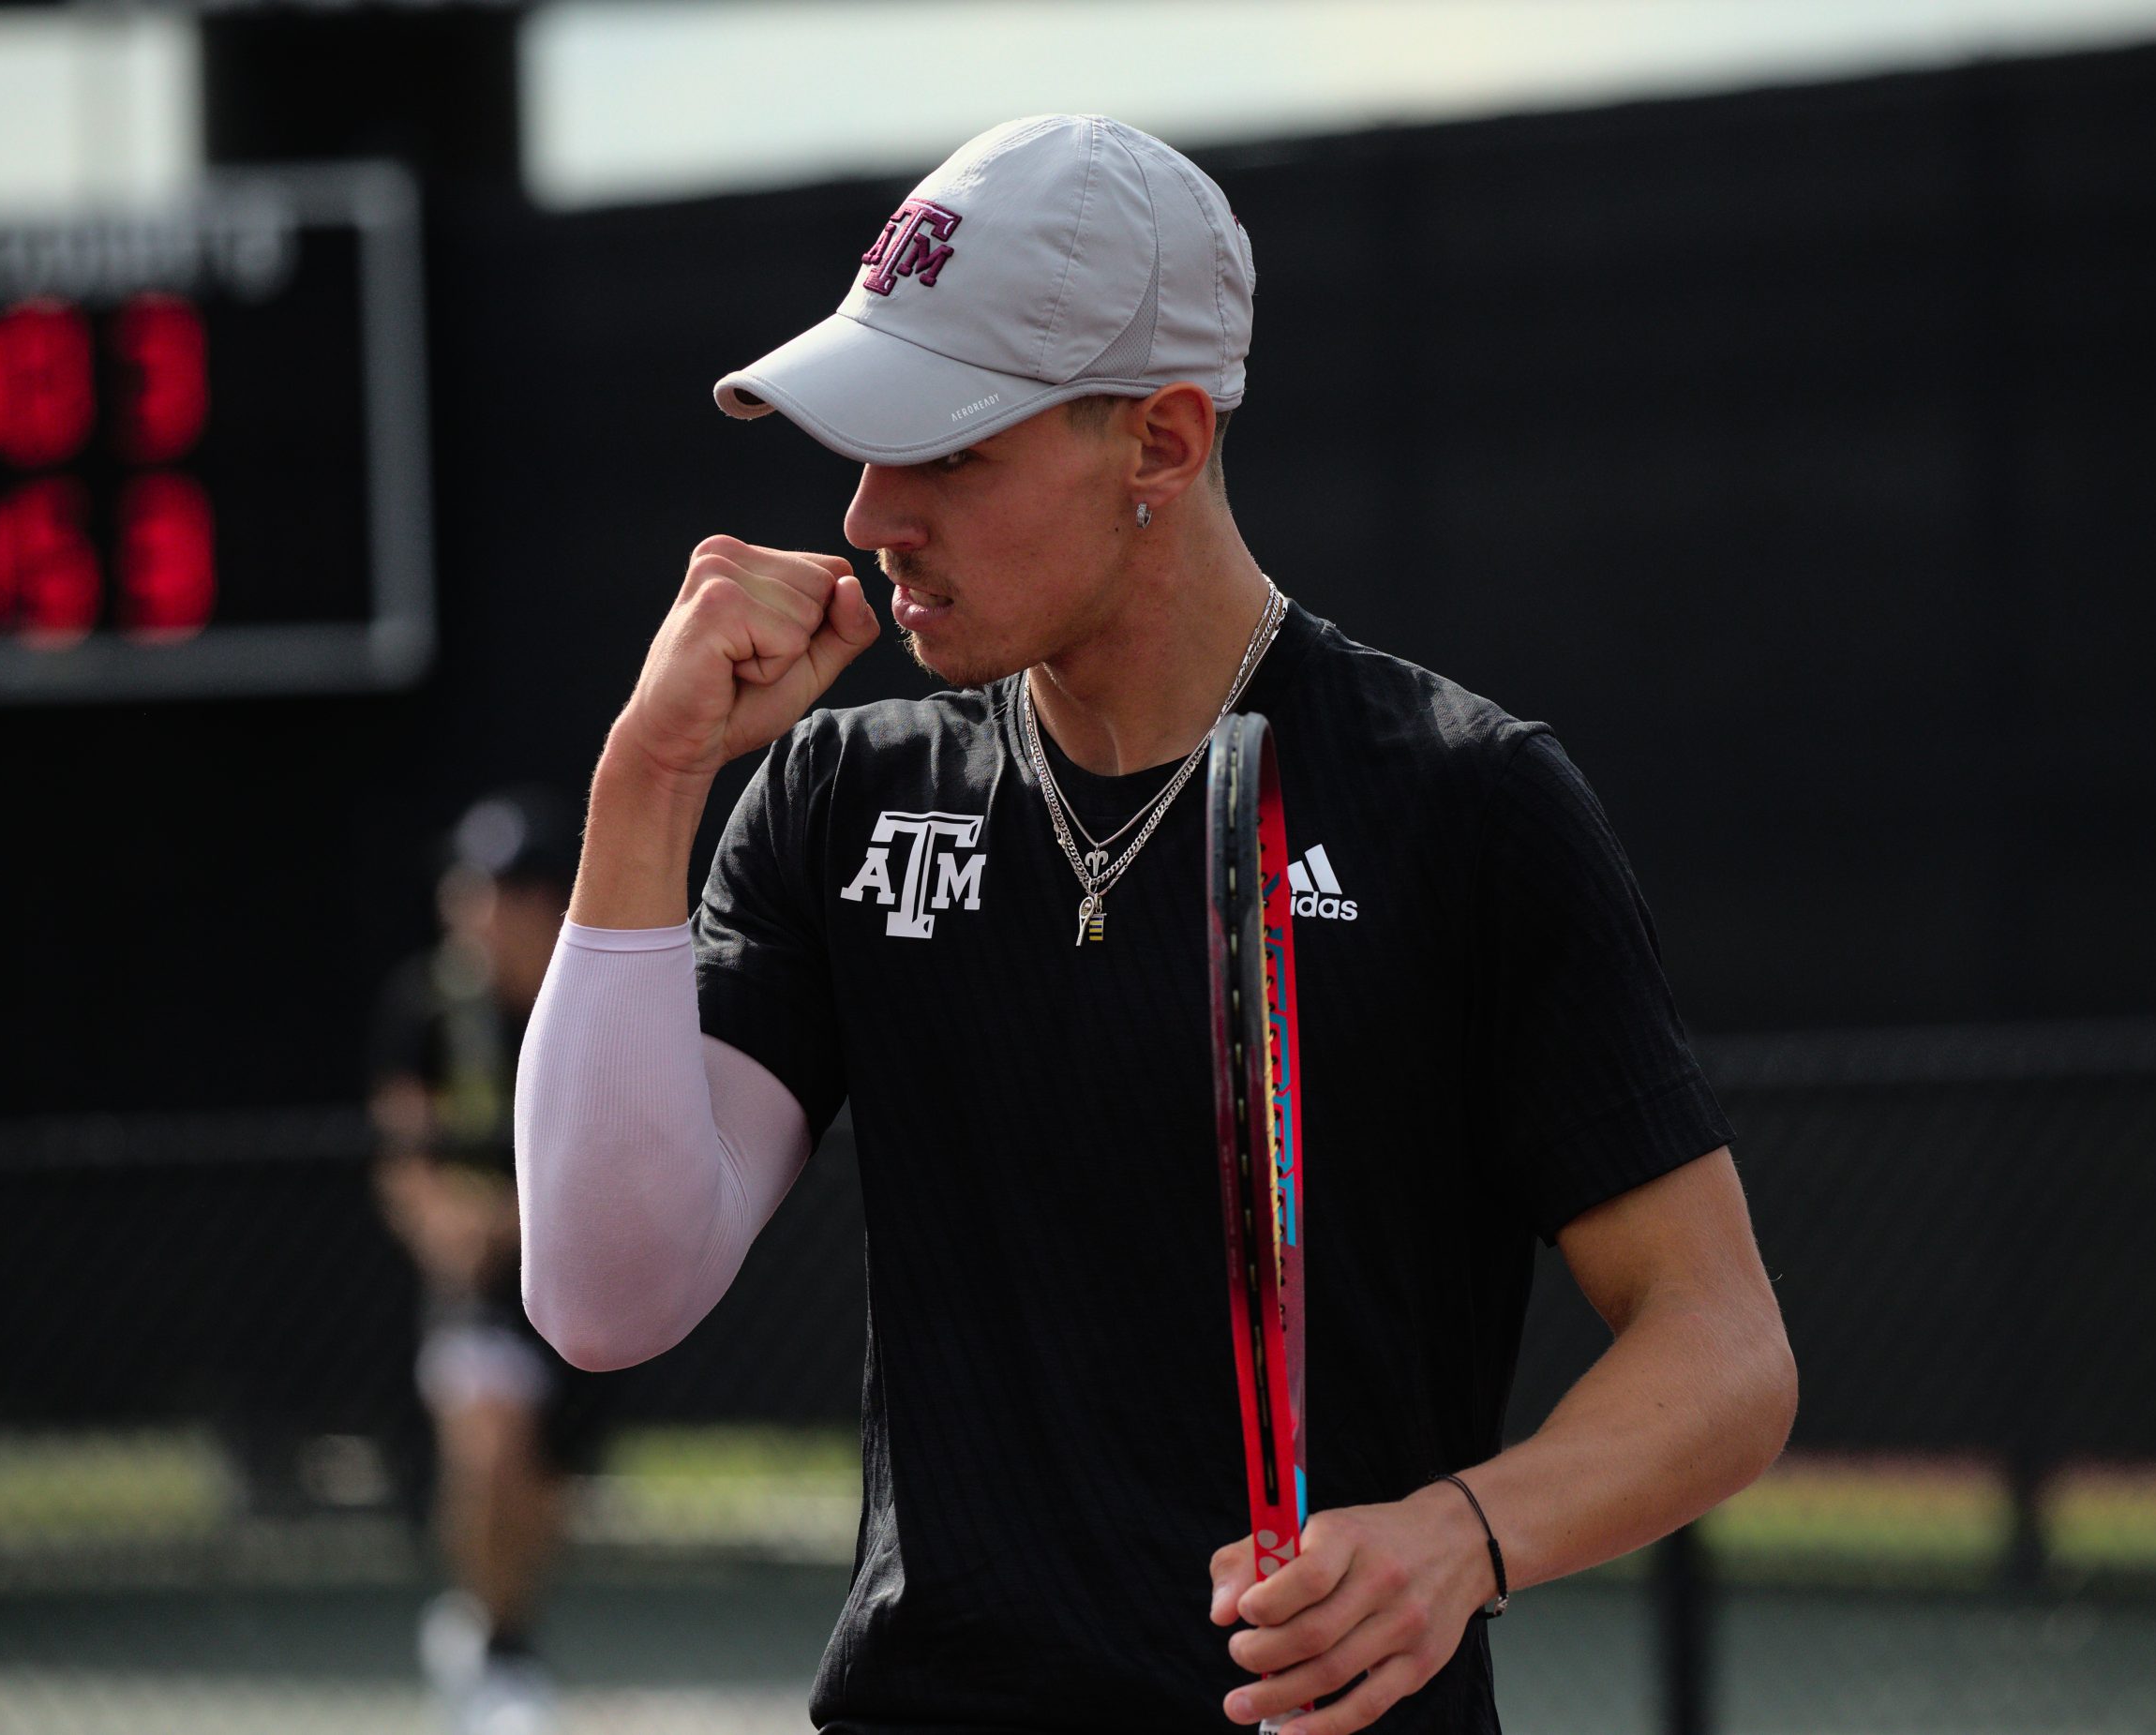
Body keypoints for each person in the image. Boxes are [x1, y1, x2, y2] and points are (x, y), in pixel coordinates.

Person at [517, 114, 1797, 1735]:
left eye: (949, 448)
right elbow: (605, 1293)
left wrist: (1464, 1538)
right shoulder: (840, 796)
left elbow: (1726, 1350)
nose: (867, 513)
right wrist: (649, 783)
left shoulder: (1465, 800)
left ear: (1164, 444)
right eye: (861, 439)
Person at [371, 789, 600, 1735]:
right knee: (485, 1444)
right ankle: (501, 1654)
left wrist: (521, 1220)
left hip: (581, 1289)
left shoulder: (592, 1005)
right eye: (466, 890)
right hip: (474, 1294)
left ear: (549, 905)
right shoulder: (429, 1007)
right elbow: (405, 1160)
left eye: (499, 893)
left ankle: (496, 1622)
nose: (474, 911)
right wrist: (445, 1225)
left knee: (540, 1491)